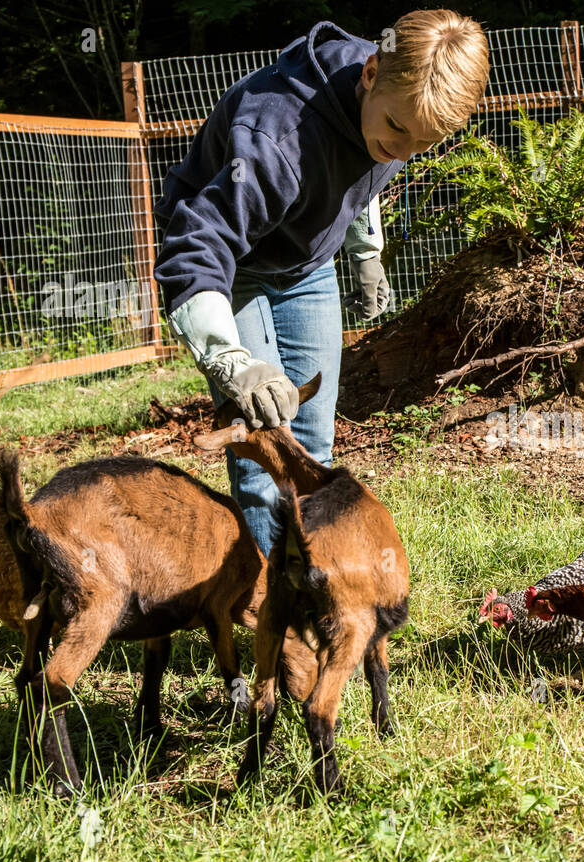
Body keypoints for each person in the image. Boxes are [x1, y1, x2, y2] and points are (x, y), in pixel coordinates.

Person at [153, 11, 489, 555]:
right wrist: (231, 360)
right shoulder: (276, 138)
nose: (404, 152)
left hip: (306, 266)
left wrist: (364, 250)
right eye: (401, 131)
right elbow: (196, 248)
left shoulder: (398, 107)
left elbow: (361, 166)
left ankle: (314, 587)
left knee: (312, 445)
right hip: (230, 267)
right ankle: (272, 616)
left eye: (423, 144)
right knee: (266, 451)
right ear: (370, 73)